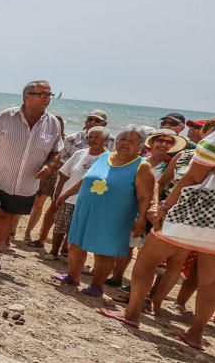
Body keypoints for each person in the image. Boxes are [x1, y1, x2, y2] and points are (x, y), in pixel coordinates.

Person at [98, 124, 215, 350]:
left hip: (198, 212)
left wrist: (165, 205)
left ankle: (132, 315)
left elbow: (193, 176)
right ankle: (195, 333)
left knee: (147, 259)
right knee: (212, 279)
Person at [0, 81, 63, 270]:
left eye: (49, 94)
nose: (46, 98)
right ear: (27, 96)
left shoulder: (52, 124)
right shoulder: (5, 116)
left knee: (7, 218)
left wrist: (49, 166)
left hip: (26, 184)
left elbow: (56, 151)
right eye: (42, 94)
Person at [52, 127, 155, 297]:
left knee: (104, 250)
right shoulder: (104, 156)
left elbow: (145, 196)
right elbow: (87, 179)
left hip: (114, 215)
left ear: (141, 146)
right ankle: (72, 276)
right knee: (76, 244)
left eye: (132, 141)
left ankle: (97, 285)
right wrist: (67, 193)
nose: (125, 144)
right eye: (122, 139)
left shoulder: (142, 166)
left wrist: (141, 220)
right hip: (86, 209)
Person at [41, 126, 110, 260]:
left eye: (97, 137)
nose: (92, 139)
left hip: (89, 201)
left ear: (105, 140)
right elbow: (64, 173)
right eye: (90, 137)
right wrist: (58, 191)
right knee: (60, 224)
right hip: (68, 197)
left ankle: (68, 252)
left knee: (78, 229)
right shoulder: (80, 153)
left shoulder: (108, 158)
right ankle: (54, 251)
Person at [24, 114, 66, 246]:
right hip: (34, 170)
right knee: (25, 200)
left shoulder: (64, 141)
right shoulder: (40, 136)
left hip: (51, 175)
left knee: (38, 205)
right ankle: (12, 231)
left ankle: (27, 232)